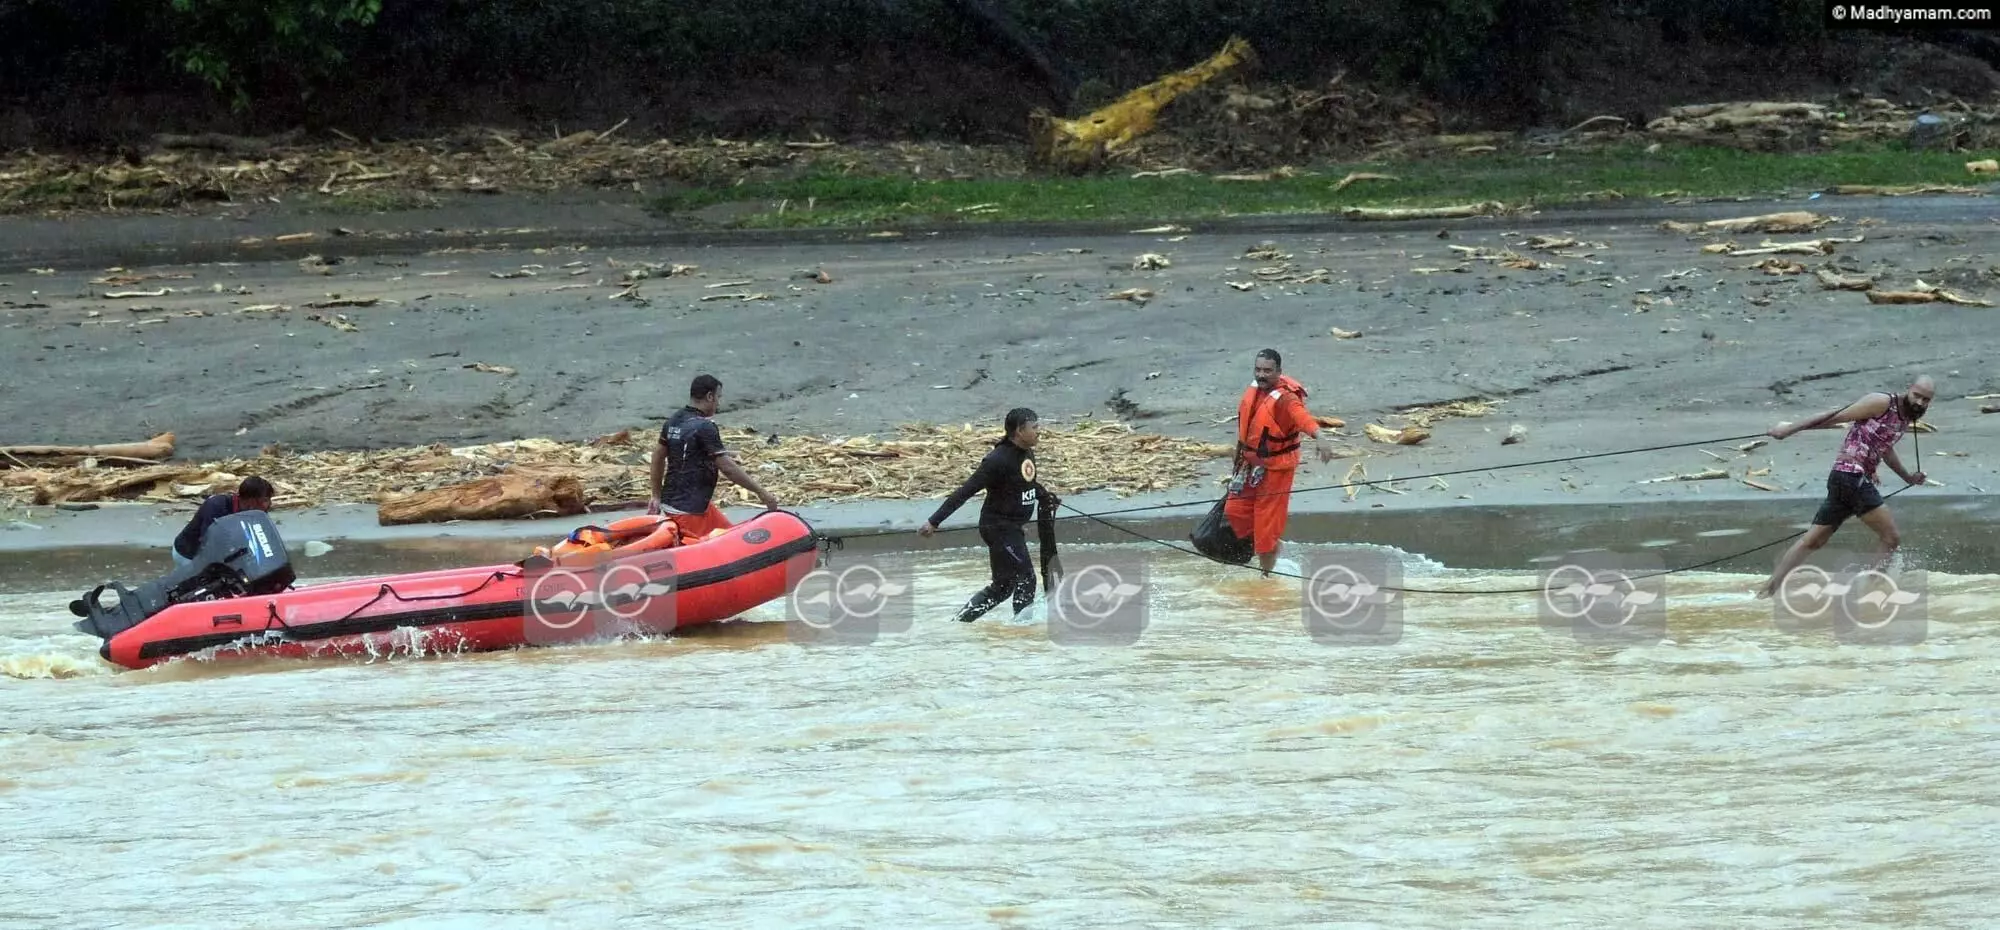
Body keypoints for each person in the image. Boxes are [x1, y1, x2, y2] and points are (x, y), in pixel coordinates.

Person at [1755, 376, 1934, 600]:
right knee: (1891, 538)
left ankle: (1765, 594)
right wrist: (1789, 429)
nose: (1919, 402)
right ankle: (1870, 594)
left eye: (1925, 400)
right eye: (1917, 395)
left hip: (1847, 479)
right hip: (1851, 476)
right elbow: (1835, 416)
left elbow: (1885, 449)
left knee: (1813, 541)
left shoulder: (1907, 417)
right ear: (1909, 390)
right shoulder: (1881, 402)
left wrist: (1907, 477)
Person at [919, 408, 1063, 623]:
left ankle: (959, 622)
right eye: (1034, 427)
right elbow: (965, 491)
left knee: (1003, 587)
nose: (1038, 431)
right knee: (1026, 578)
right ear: (1019, 431)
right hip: (998, 528)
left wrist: (1044, 496)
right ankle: (1023, 628)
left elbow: (1024, 482)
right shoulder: (997, 460)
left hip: (1012, 528)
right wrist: (934, 521)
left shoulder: (1026, 452)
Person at [1226, 348, 1336, 576]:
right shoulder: (1255, 390)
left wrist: (1320, 437)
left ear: (1279, 372)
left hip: (1276, 470)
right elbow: (1246, 429)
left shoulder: (1287, 398)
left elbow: (1302, 418)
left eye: (1267, 370)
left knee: (1266, 530)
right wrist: (1238, 458)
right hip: (1249, 464)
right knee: (1234, 511)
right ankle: (1272, 547)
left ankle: (1266, 576)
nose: (1261, 375)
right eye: (1258, 369)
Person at [648, 373, 780, 538]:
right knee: (718, 551)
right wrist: (761, 492)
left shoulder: (674, 420)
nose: (718, 403)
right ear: (710, 396)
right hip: (688, 512)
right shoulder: (705, 426)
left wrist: (656, 495)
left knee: (735, 539)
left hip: (686, 504)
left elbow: (658, 455)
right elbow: (727, 468)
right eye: (718, 397)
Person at [172, 476, 274, 566]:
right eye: (265, 500)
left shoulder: (256, 513)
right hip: (188, 554)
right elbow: (208, 543)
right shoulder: (217, 506)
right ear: (251, 501)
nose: (269, 504)